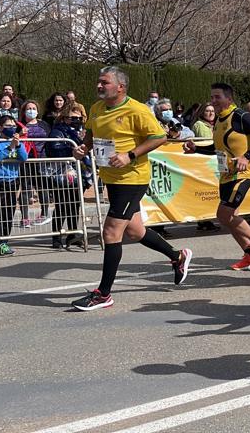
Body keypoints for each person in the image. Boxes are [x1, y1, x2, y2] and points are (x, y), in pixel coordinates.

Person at [70, 66, 192, 311]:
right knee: (135, 232)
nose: (99, 86)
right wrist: (83, 148)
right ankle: (178, 256)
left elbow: (159, 136)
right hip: (112, 178)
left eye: (105, 82)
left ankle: (103, 294)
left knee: (111, 233)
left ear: (121, 87)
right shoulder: (96, 108)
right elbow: (92, 134)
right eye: (99, 81)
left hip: (132, 178)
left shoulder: (137, 109)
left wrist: (130, 155)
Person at [184, 83, 250, 271]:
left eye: (218, 97)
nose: (213, 101)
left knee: (223, 214)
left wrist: (246, 157)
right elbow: (216, 149)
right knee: (229, 217)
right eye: (212, 97)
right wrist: (196, 149)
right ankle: (249, 254)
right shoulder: (218, 120)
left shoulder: (241, 116)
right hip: (225, 175)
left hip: (242, 174)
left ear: (229, 99)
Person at [46, 106, 89, 249]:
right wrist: (72, 149)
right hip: (61, 174)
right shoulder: (57, 131)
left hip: (78, 173)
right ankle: (56, 237)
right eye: (73, 118)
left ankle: (73, 235)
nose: (76, 121)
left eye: (79, 118)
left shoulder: (80, 132)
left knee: (75, 205)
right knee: (61, 206)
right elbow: (53, 149)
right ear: (64, 118)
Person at [0, 115, 27, 256]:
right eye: (7, 126)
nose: (11, 128)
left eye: (13, 126)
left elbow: (23, 157)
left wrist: (17, 145)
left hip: (12, 180)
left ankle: (5, 240)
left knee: (9, 212)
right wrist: (9, 148)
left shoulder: (16, 142)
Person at [16, 100, 51, 228]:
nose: (31, 110)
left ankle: (44, 214)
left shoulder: (44, 124)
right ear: (24, 111)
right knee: (25, 189)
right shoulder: (19, 125)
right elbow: (13, 140)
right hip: (26, 161)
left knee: (43, 188)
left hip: (42, 161)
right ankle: (25, 218)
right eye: (28, 108)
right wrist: (19, 134)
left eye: (33, 108)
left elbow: (50, 139)